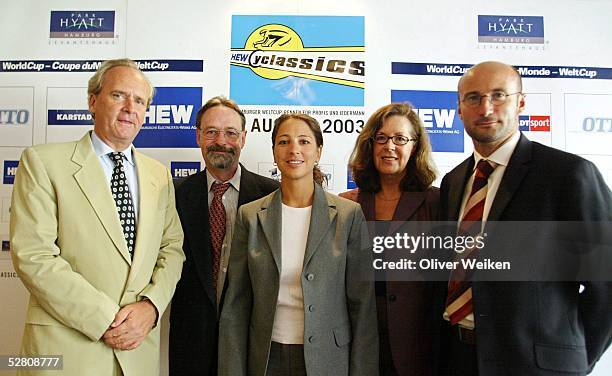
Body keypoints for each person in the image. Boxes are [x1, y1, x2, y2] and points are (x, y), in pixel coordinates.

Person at [9, 58, 185, 376]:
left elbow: (171, 250)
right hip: (64, 351)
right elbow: (34, 256)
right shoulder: (42, 162)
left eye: (140, 100)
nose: (130, 107)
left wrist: (151, 307)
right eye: (119, 95)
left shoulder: (158, 174)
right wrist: (105, 319)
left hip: (137, 353)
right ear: (93, 101)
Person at [437, 61, 612, 375]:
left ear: (520, 102)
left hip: (535, 366)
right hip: (457, 356)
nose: (486, 108)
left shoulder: (568, 174)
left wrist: (572, 358)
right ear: (460, 109)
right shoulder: (453, 181)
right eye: (473, 98)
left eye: (499, 95)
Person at [218, 113, 378, 376]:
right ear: (274, 152)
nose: (294, 150)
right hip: (267, 358)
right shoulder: (251, 216)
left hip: (328, 359)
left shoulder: (348, 215)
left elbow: (362, 307)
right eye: (284, 142)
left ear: (318, 151)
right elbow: (236, 306)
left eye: (304, 141)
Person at [169, 96, 278, 375]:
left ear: (243, 138)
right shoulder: (173, 195)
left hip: (252, 340)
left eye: (230, 133)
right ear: (198, 137)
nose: (221, 141)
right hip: (190, 343)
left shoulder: (272, 195)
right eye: (212, 132)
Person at [341, 103, 439, 376]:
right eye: (381, 138)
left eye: (400, 139)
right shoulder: (349, 204)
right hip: (360, 337)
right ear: (369, 145)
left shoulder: (437, 203)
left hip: (416, 343)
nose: (389, 146)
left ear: (415, 146)